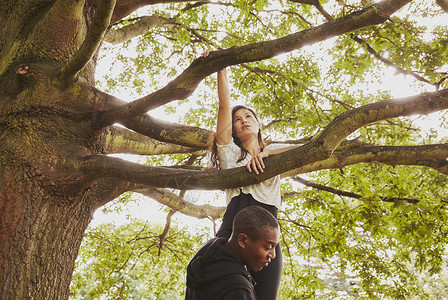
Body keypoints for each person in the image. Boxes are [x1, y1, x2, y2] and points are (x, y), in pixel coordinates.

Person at [202, 49, 301, 300]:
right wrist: (220, 67)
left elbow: (311, 149)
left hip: (266, 230)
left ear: (258, 125)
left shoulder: (275, 151)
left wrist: (269, 155)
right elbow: (224, 105)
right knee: (219, 288)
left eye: (248, 116)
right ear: (233, 131)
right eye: (237, 120)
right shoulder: (229, 154)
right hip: (232, 229)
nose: (243, 120)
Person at [185, 206, 280, 300]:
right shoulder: (238, 290)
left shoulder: (206, 255)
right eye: (268, 247)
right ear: (242, 241)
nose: (273, 255)